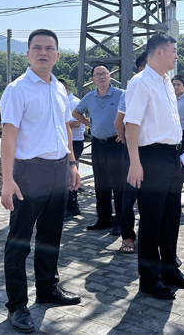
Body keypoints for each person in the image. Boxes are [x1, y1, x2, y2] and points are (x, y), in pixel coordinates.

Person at [0, 29, 82, 334]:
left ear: (57, 55)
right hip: (28, 173)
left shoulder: (59, 88)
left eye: (49, 48)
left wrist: (72, 164)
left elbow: (66, 128)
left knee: (51, 236)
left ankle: (47, 288)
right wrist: (7, 180)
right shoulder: (17, 89)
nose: (43, 52)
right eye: (37, 48)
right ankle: (17, 305)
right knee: (19, 242)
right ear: (28, 54)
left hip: (59, 170)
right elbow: (9, 135)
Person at [124, 34, 184, 300]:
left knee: (171, 218)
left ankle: (169, 270)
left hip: (172, 156)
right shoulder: (140, 82)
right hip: (151, 157)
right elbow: (131, 124)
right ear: (158, 52)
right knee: (151, 221)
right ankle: (149, 278)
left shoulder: (166, 82)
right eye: (173, 51)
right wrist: (135, 163)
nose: (176, 55)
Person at [72, 65, 124, 236]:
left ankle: (120, 221)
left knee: (118, 184)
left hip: (116, 144)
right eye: (97, 75)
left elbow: (133, 114)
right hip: (97, 144)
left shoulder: (121, 94)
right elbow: (76, 113)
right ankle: (104, 219)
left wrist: (123, 131)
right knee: (101, 183)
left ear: (110, 76)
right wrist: (90, 124)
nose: (101, 77)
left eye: (104, 74)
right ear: (93, 79)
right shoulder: (89, 97)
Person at [114, 51, 147, 254]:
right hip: (133, 152)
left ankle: (147, 237)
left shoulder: (163, 90)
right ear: (141, 69)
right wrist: (128, 143)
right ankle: (127, 237)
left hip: (153, 153)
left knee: (149, 197)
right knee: (129, 196)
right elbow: (119, 123)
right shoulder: (130, 92)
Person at [59, 79, 86, 219]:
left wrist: (59, 122)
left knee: (70, 174)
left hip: (75, 142)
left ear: (66, 88)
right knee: (65, 175)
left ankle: (73, 206)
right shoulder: (59, 101)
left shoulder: (74, 102)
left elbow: (77, 123)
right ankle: (68, 205)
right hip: (64, 142)